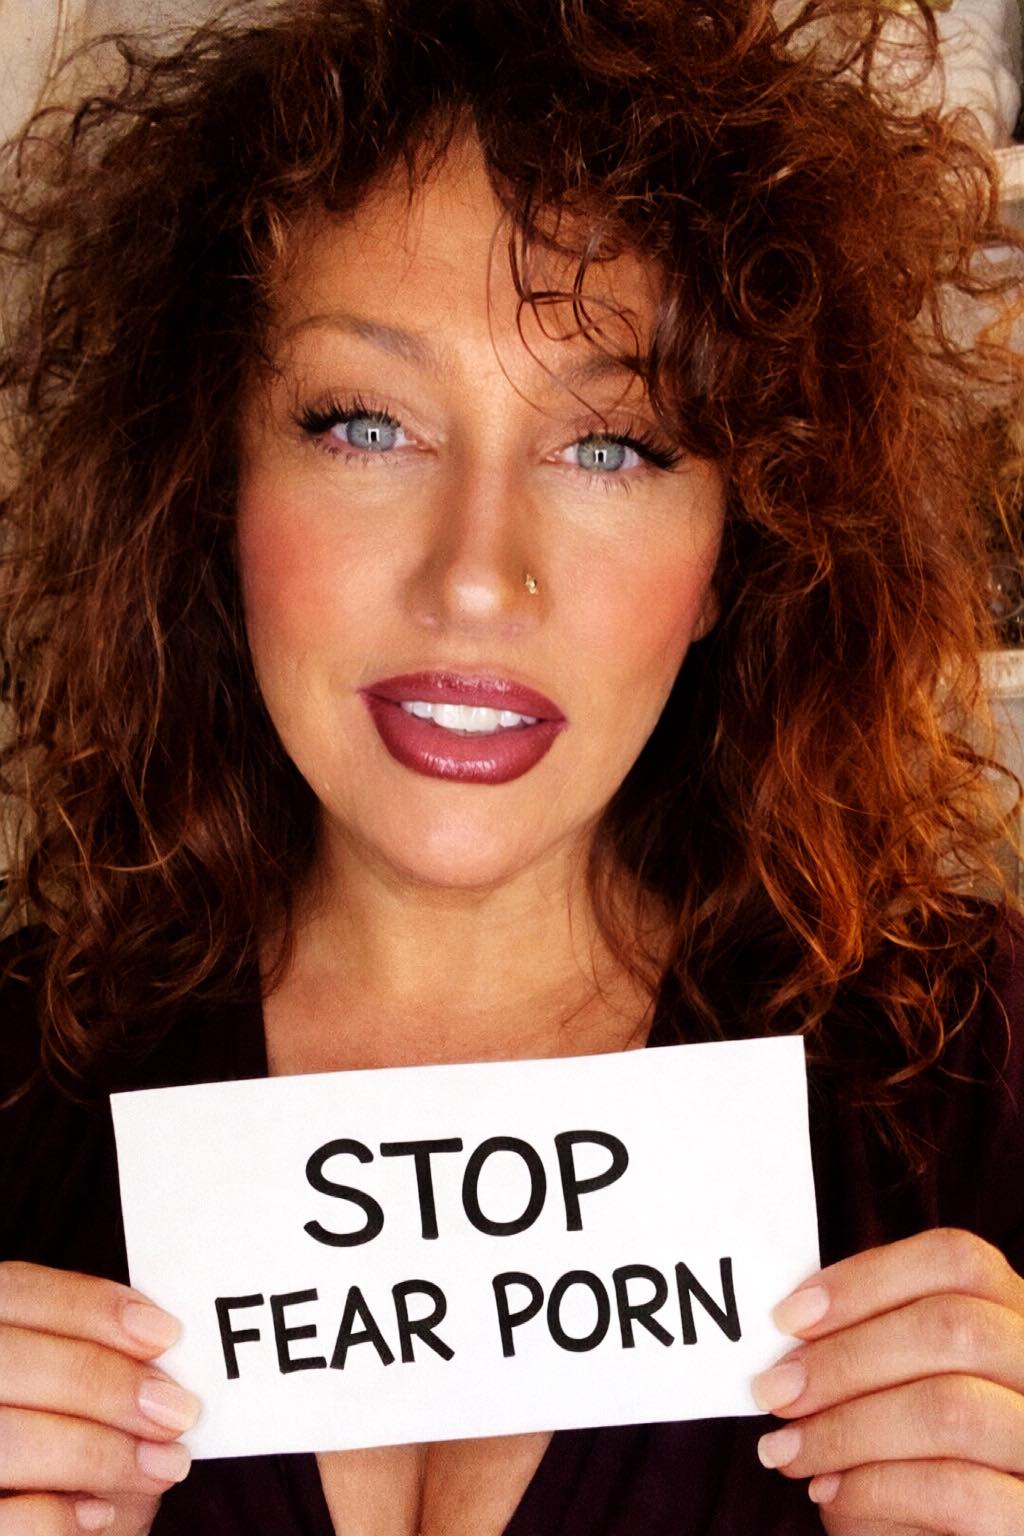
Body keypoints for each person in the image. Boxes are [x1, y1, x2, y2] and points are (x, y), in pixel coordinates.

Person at [0, 0, 1022, 1532]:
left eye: (611, 446)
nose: (478, 578)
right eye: (365, 425)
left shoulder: (977, 1083)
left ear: (747, 549)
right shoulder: (17, 1099)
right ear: (206, 484)